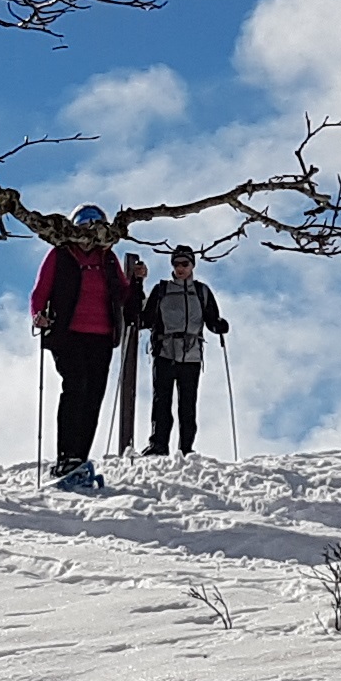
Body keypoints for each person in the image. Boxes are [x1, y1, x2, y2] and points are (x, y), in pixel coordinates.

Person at [29, 206, 143, 492]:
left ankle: (78, 458)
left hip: (102, 336)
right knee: (76, 386)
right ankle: (66, 457)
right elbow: (41, 290)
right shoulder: (60, 255)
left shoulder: (108, 259)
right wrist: (38, 314)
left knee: (93, 395)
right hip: (68, 334)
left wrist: (137, 280)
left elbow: (123, 294)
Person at [143, 246, 227, 454]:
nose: (180, 268)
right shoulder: (161, 290)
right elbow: (146, 319)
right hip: (165, 351)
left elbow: (211, 320)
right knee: (162, 401)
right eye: (176, 264)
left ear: (192, 266)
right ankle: (159, 445)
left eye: (184, 264)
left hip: (191, 354)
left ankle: (186, 448)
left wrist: (219, 326)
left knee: (187, 405)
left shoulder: (201, 291)